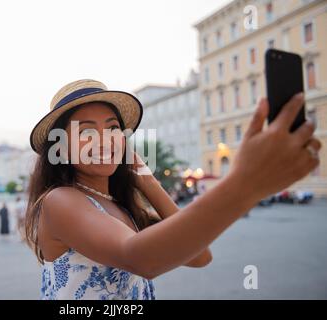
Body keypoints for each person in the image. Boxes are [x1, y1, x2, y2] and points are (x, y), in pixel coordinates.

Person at [24, 79, 321, 300]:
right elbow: (142, 259)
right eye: (87, 131)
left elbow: (200, 256)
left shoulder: (121, 205)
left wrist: (147, 181)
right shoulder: (60, 200)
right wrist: (247, 182)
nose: (106, 140)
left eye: (113, 128)